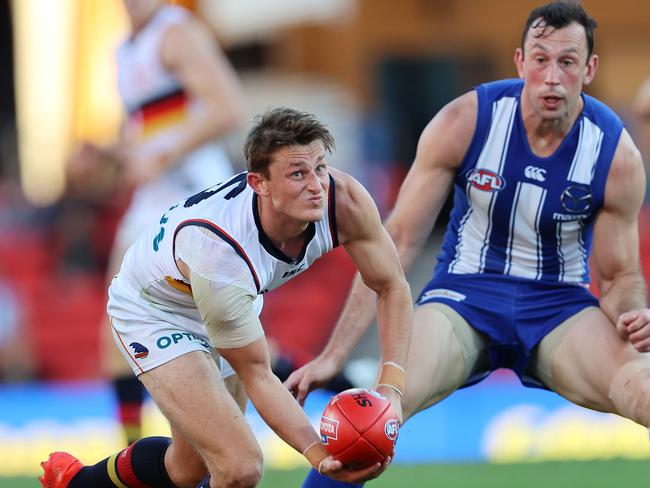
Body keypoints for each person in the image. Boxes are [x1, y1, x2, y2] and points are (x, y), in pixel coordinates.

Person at [285, 3, 650, 487]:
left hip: (558, 308)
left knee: (643, 390)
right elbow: (395, 242)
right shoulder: (466, 120)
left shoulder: (615, 154)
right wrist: (335, 353)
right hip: (464, 300)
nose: (552, 78)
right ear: (520, 62)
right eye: (541, 60)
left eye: (567, 62)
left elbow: (621, 276)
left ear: (590, 69)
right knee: (370, 423)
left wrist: (633, 315)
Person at [39, 107, 412, 488]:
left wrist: (391, 387)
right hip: (155, 309)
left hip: (224, 295)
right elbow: (259, 376)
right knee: (239, 467)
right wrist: (318, 454)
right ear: (259, 183)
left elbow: (391, 284)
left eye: (319, 167)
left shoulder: (343, 199)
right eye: (297, 173)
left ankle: (74, 482)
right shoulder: (220, 252)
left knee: (188, 468)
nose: (316, 185)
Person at [67, 0, 246, 446]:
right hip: (154, 200)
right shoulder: (125, 48)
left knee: (222, 333)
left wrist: (162, 156)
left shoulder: (176, 33)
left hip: (195, 199)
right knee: (118, 321)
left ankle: (217, 448)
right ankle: (135, 455)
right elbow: (148, 125)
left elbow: (228, 108)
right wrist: (105, 152)